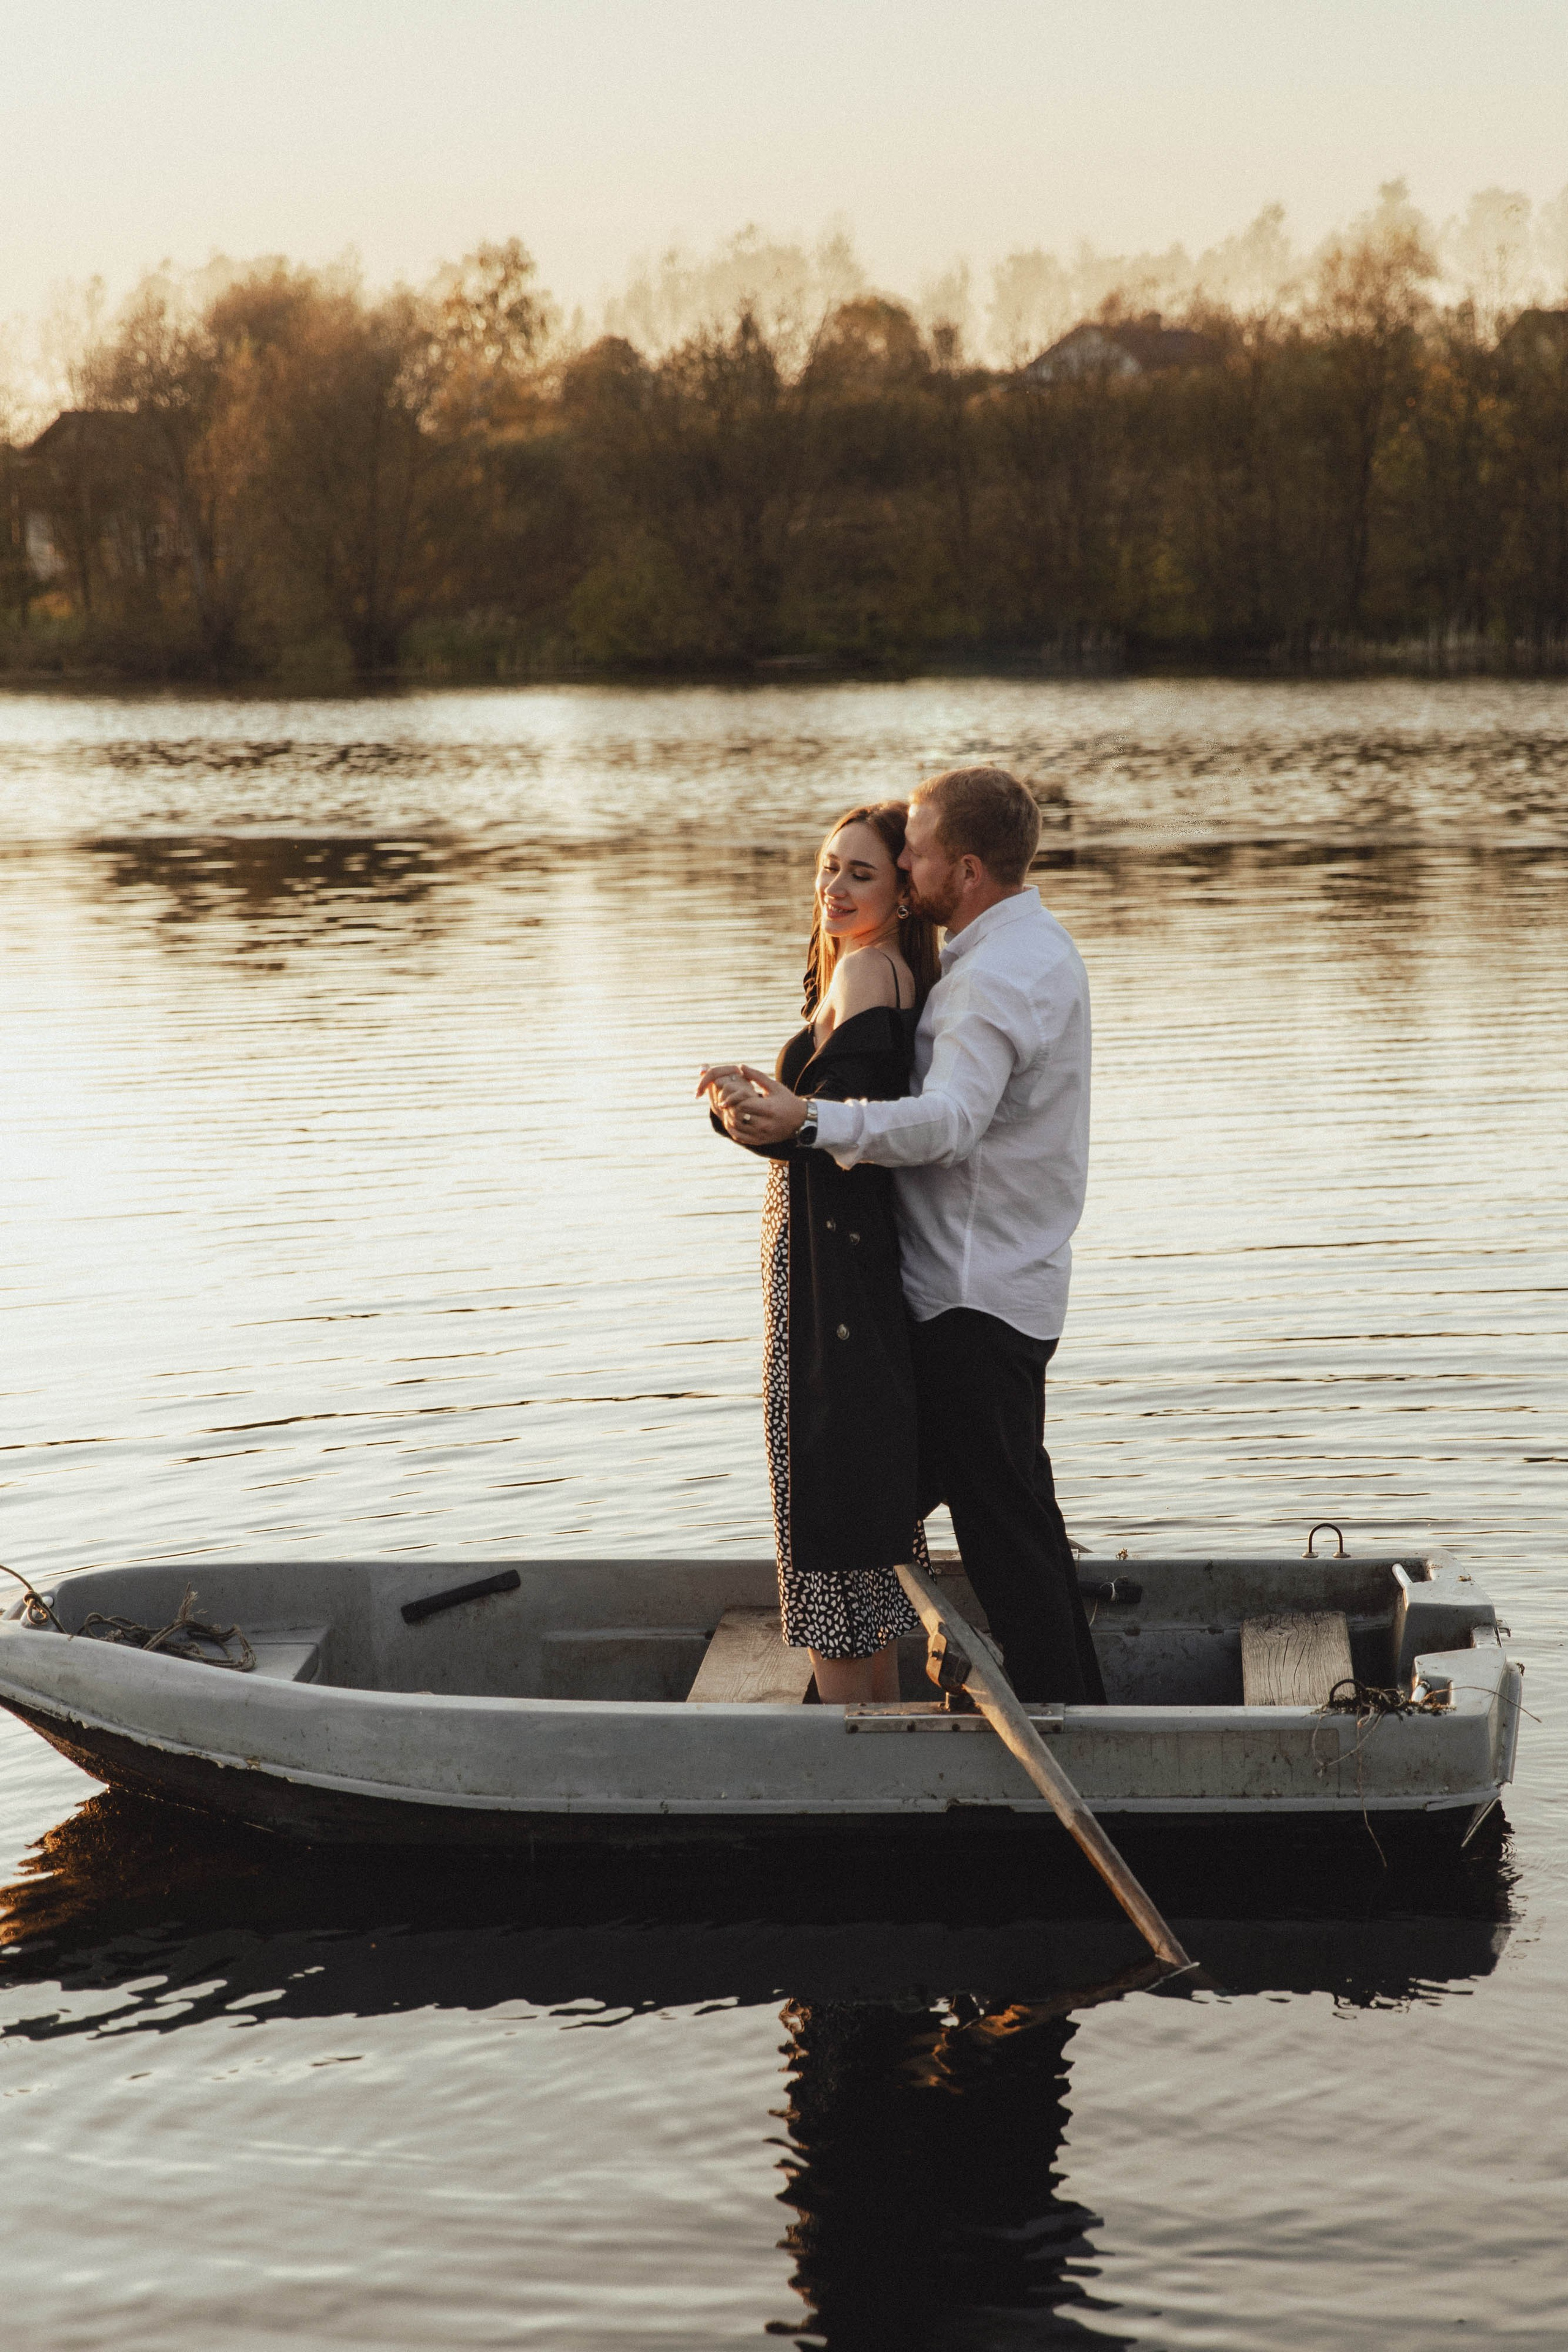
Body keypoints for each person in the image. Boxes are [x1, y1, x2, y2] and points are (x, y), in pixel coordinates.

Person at [711, 766, 1106, 1707]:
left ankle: (1078, 1736)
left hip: (974, 1298)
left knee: (994, 1537)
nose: (905, 858)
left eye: (914, 850)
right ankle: (975, 1698)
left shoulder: (991, 983)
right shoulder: (1024, 950)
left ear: (962, 870)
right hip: (1002, 1282)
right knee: (994, 1520)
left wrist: (811, 1122)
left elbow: (948, 1123)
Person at [699, 803, 940, 1703]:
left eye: (862, 874)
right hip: (831, 1265)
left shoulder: (873, 972)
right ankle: (877, 1731)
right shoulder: (872, 970)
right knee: (853, 1533)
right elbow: (830, 1118)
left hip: (825, 1278)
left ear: (903, 894)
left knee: (823, 1506)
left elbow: (821, 1135)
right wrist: (761, 1097)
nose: (834, 888)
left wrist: (734, 1108)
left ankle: (855, 1753)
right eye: (829, 868)